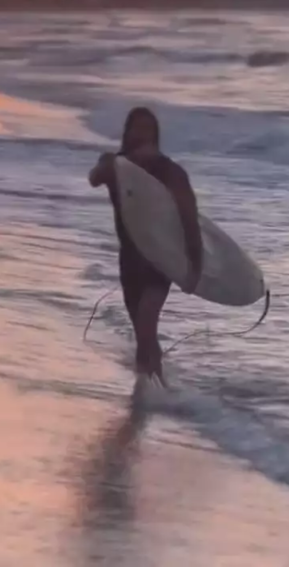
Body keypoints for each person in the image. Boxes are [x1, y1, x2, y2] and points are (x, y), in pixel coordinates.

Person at [89, 107, 203, 384]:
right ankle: (149, 384)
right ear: (127, 133)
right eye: (137, 128)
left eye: (147, 129)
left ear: (156, 135)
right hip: (129, 259)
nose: (141, 134)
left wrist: (195, 265)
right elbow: (94, 178)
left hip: (159, 259)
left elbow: (189, 218)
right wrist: (119, 165)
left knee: (146, 323)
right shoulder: (115, 166)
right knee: (142, 331)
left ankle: (152, 389)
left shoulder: (170, 172)